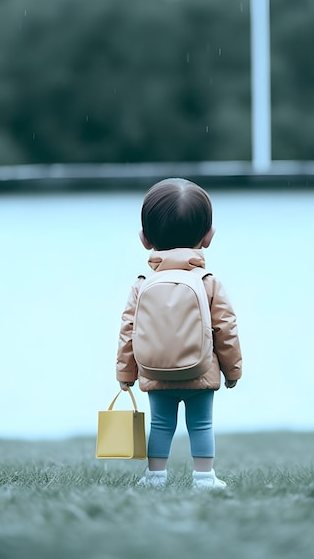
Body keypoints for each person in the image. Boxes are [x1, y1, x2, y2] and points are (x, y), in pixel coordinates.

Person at [116, 178, 242, 489]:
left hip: (155, 371)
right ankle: (204, 477)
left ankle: (155, 476)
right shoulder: (209, 281)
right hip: (201, 369)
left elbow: (128, 332)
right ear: (208, 236)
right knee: (201, 424)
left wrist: (125, 373)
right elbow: (225, 328)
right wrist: (232, 369)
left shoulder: (141, 283)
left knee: (160, 424)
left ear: (145, 239)